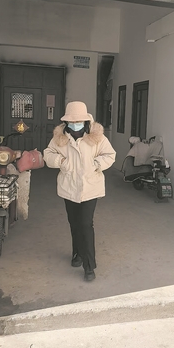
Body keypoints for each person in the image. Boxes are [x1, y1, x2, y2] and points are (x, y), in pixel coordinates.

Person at [43, 101, 116, 282]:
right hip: (69, 186)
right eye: (72, 121)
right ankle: (77, 254)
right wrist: (61, 162)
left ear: (85, 121)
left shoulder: (97, 137)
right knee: (74, 223)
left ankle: (89, 266)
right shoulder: (60, 138)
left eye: (79, 121)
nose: (76, 124)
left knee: (85, 224)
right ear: (66, 121)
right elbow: (48, 153)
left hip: (90, 187)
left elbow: (110, 155)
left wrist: (96, 164)